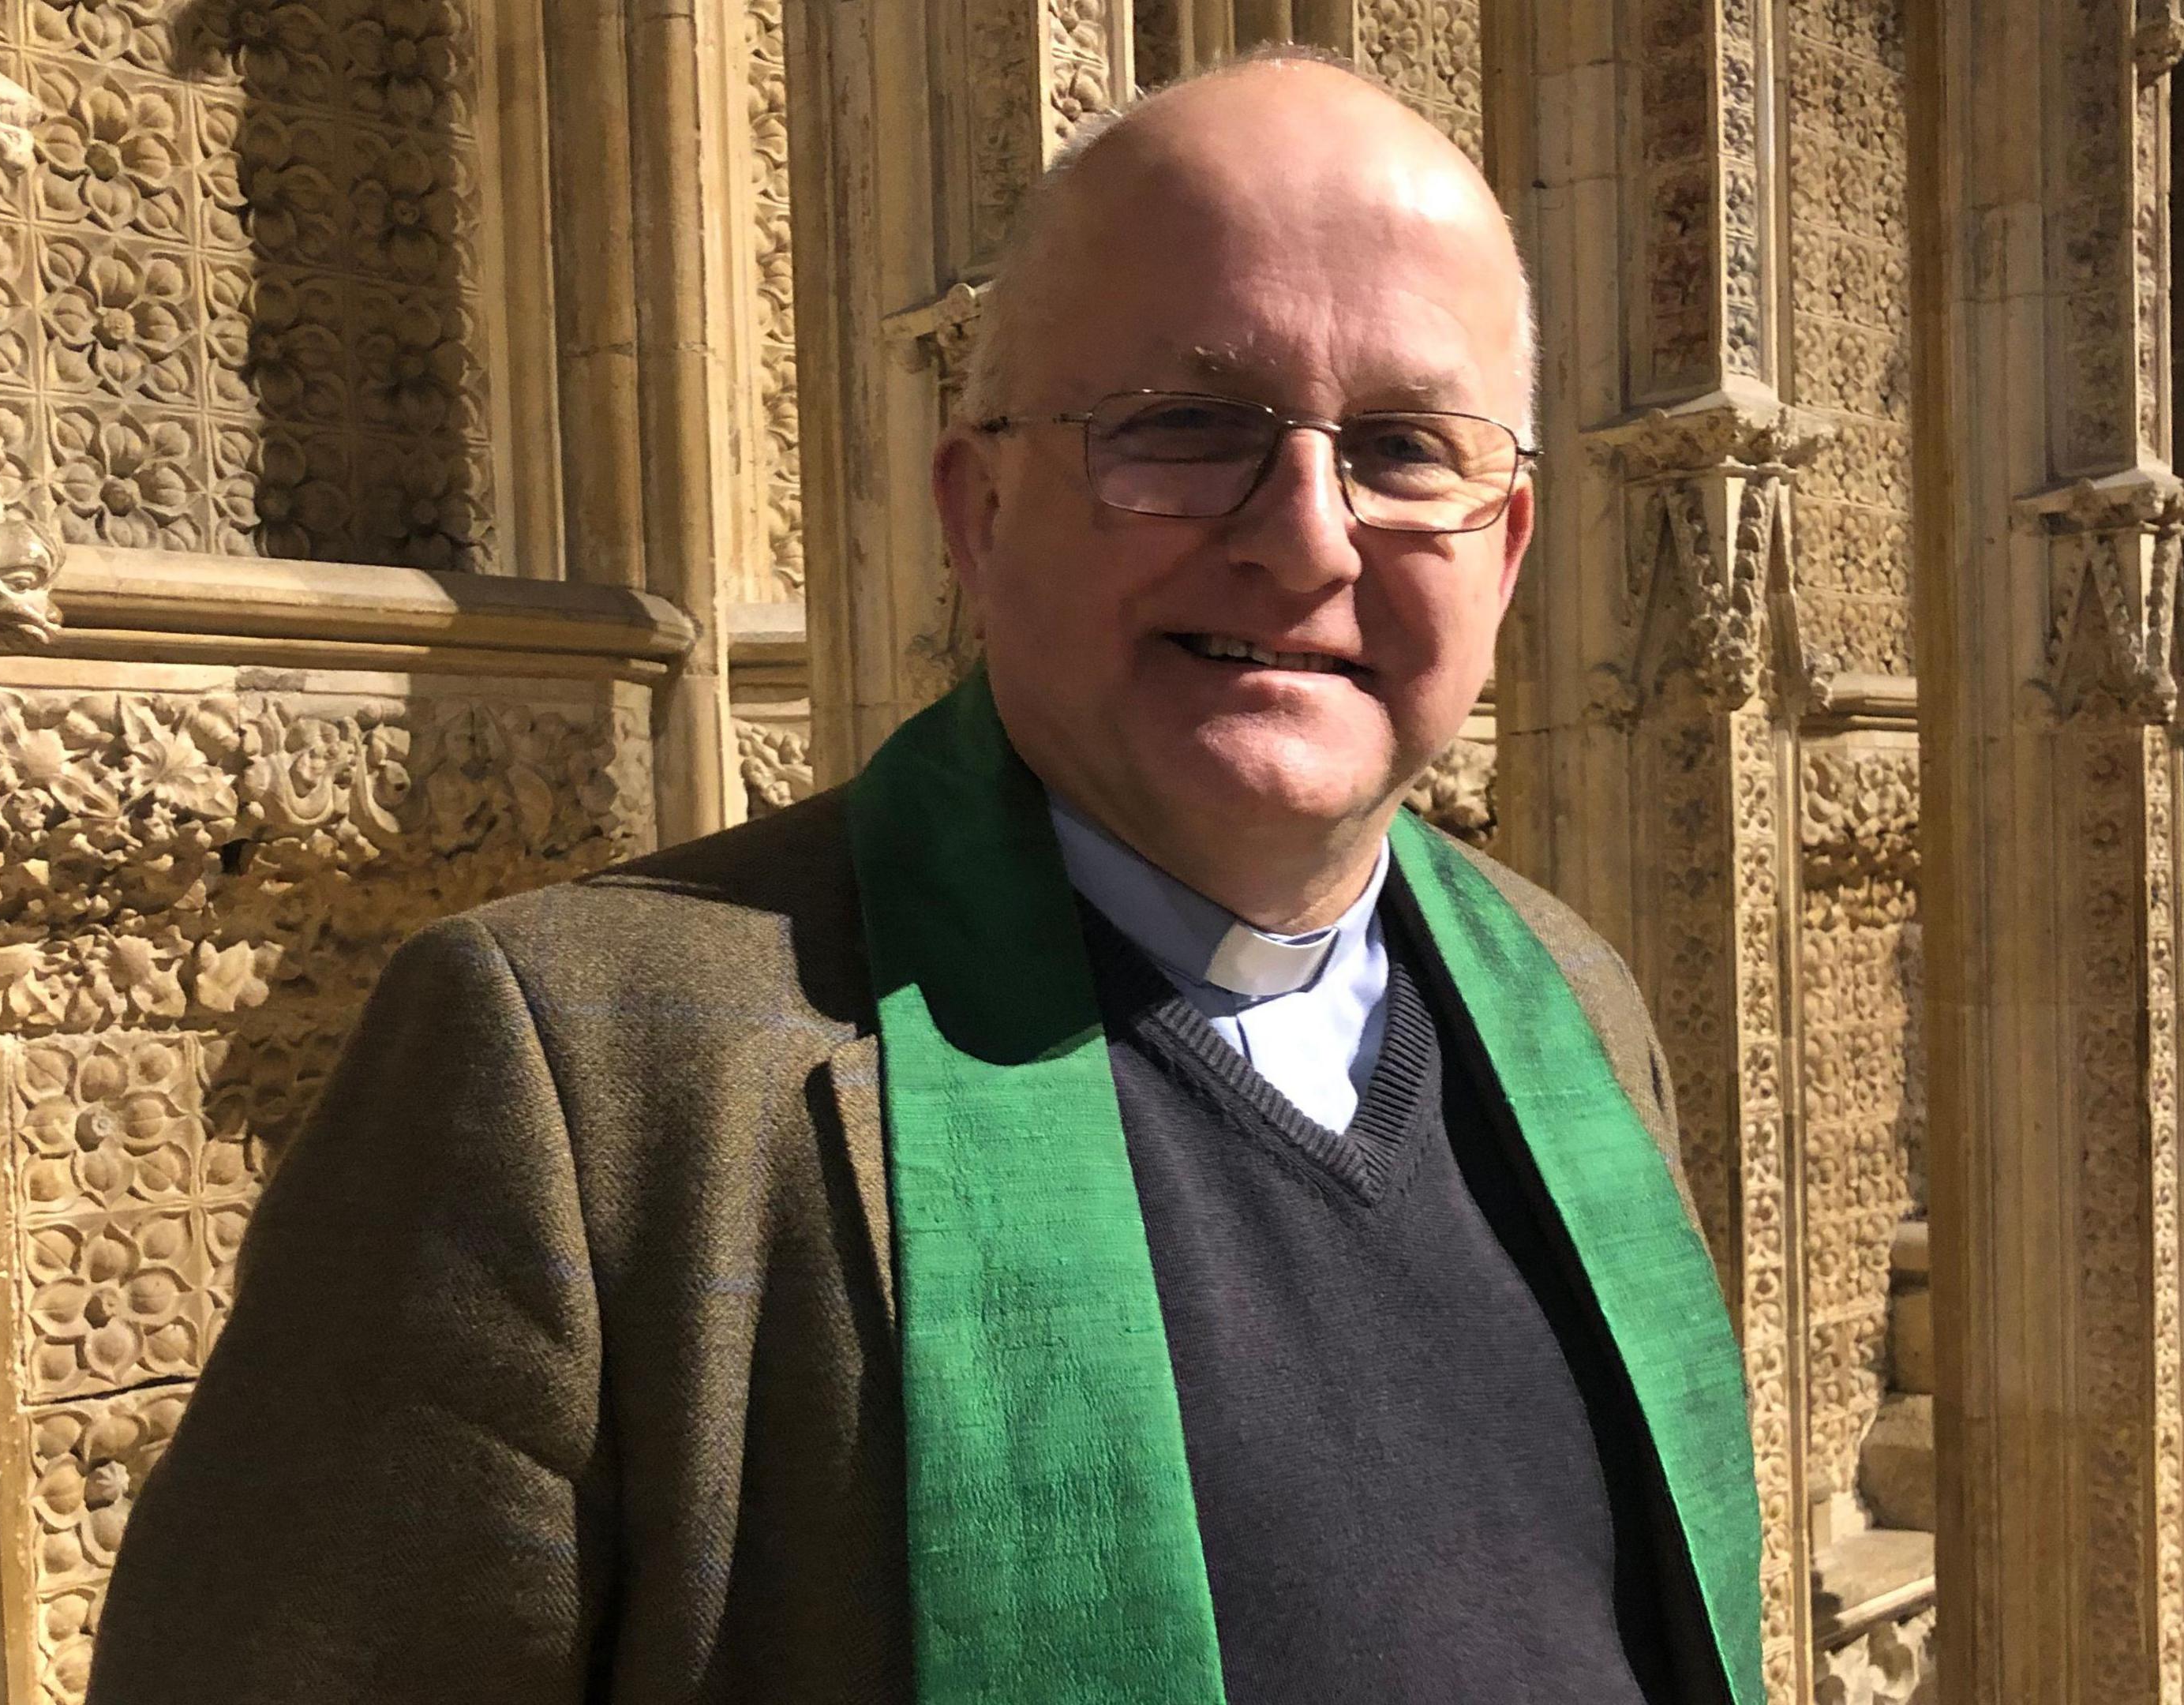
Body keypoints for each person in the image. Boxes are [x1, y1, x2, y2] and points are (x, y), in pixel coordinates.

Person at [88, 48, 1762, 1705]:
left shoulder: (1572, 1004)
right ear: (978, 509)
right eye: (1185, 427)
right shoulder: (585, 1083)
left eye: (1404, 448)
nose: (1308, 536)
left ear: (1509, 544)